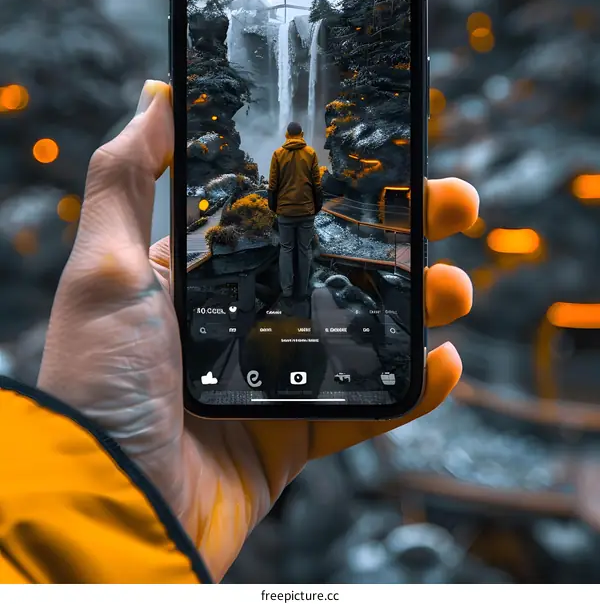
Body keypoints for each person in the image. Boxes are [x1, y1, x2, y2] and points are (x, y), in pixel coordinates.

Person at [0, 80, 478, 583]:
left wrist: (109, 499)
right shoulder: (308, 165)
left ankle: (293, 293)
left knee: (291, 264)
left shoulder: (272, 168)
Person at [268, 121, 323, 313]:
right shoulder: (310, 153)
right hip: (306, 211)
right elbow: (317, 184)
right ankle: (302, 290)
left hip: (285, 211)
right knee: (304, 249)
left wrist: (274, 206)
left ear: (286, 135)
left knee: (286, 249)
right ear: (302, 133)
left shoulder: (278, 154)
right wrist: (316, 206)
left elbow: (273, 185)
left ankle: (287, 291)